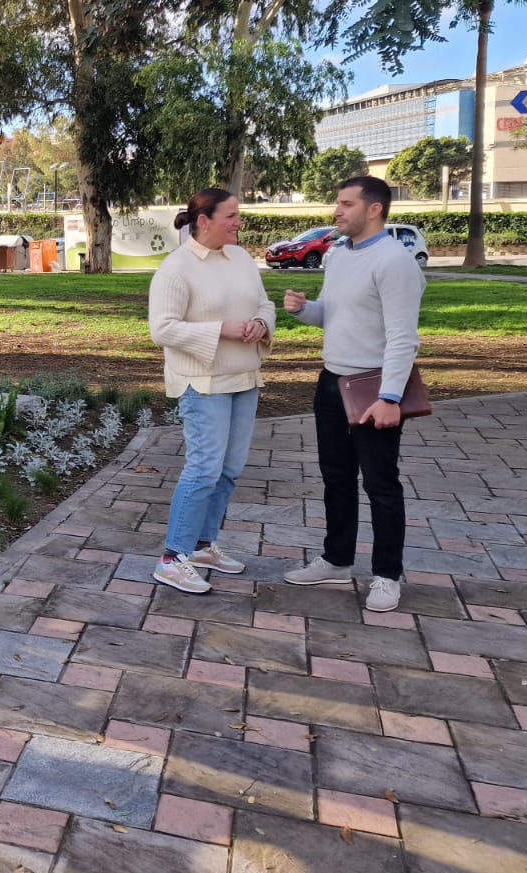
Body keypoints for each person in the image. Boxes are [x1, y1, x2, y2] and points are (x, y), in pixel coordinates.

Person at [282, 176, 425, 612]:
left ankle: (386, 575)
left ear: (374, 209)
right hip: (332, 382)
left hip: (373, 388)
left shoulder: (394, 261)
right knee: (336, 477)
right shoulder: (339, 253)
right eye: (337, 203)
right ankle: (336, 559)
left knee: (381, 484)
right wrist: (304, 310)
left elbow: (404, 338)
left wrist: (390, 398)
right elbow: (334, 315)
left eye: (345, 204)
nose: (336, 211)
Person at [147, 188, 275, 594]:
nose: (239, 221)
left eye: (239, 215)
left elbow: (264, 303)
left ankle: (202, 546)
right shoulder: (176, 268)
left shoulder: (240, 258)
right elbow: (161, 329)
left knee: (229, 470)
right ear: (204, 221)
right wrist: (220, 329)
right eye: (231, 215)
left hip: (244, 379)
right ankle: (172, 558)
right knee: (204, 469)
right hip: (202, 383)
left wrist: (260, 322)